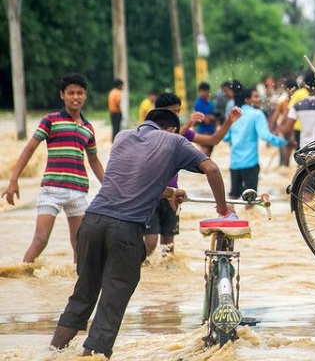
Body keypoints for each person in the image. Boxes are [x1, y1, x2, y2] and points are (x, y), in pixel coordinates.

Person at [49, 108, 234, 358]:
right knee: (113, 299)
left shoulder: (122, 137)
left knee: (83, 294)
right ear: (171, 129)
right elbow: (211, 169)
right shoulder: (175, 141)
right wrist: (222, 208)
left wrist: (169, 192)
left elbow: (131, 181)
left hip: (92, 222)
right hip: (124, 229)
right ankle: (91, 354)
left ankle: (53, 351)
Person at [2, 73, 105, 263]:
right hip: (52, 189)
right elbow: (30, 148)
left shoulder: (88, 128)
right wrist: (14, 180)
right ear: (62, 95)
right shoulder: (50, 120)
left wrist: (110, 187)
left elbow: (94, 161)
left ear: (85, 95)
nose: (75, 97)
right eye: (71, 93)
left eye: (80, 93)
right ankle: (24, 275)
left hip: (78, 191)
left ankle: (79, 286)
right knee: (40, 239)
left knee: (80, 244)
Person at [143, 92, 241, 257]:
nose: (176, 115)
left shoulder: (183, 132)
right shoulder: (149, 132)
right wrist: (188, 124)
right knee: (150, 244)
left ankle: (164, 278)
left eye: (178, 111)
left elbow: (213, 140)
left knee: (169, 247)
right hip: (151, 195)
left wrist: (228, 122)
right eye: (173, 111)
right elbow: (169, 139)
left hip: (172, 196)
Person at [223, 88, 287, 199]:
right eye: (256, 97)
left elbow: (225, 138)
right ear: (247, 100)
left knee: (233, 198)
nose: (259, 100)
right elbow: (264, 135)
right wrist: (283, 142)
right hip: (250, 164)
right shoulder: (257, 114)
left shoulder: (233, 114)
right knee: (250, 200)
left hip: (234, 164)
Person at [193, 81, 217, 156]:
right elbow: (205, 119)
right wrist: (210, 117)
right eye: (204, 91)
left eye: (207, 92)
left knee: (209, 152)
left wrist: (211, 118)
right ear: (200, 92)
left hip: (211, 130)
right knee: (204, 153)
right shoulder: (198, 103)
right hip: (203, 131)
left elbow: (214, 117)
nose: (206, 93)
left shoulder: (210, 103)